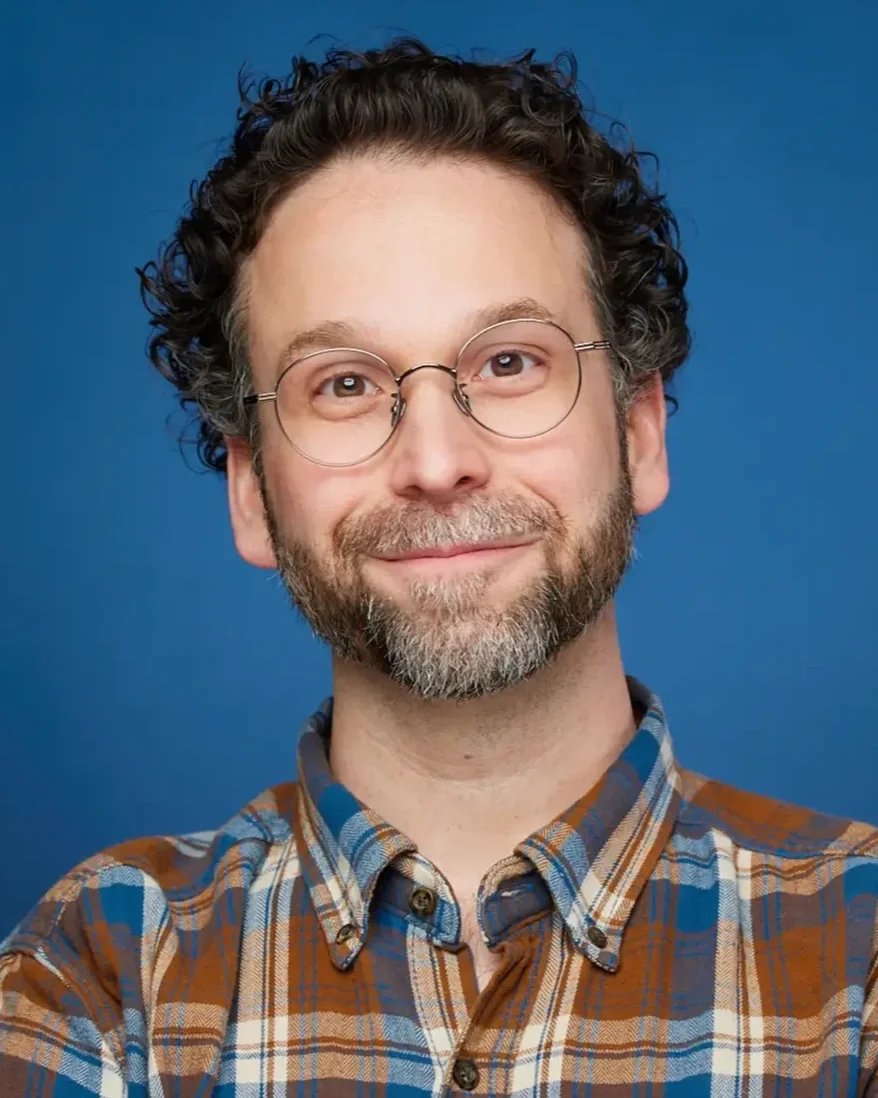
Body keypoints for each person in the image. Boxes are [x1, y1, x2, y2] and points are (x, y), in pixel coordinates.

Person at [1, 36, 875, 1097]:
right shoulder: (102, 971)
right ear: (247, 489)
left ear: (640, 431)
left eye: (508, 363)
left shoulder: (858, 953)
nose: (435, 462)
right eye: (343, 385)